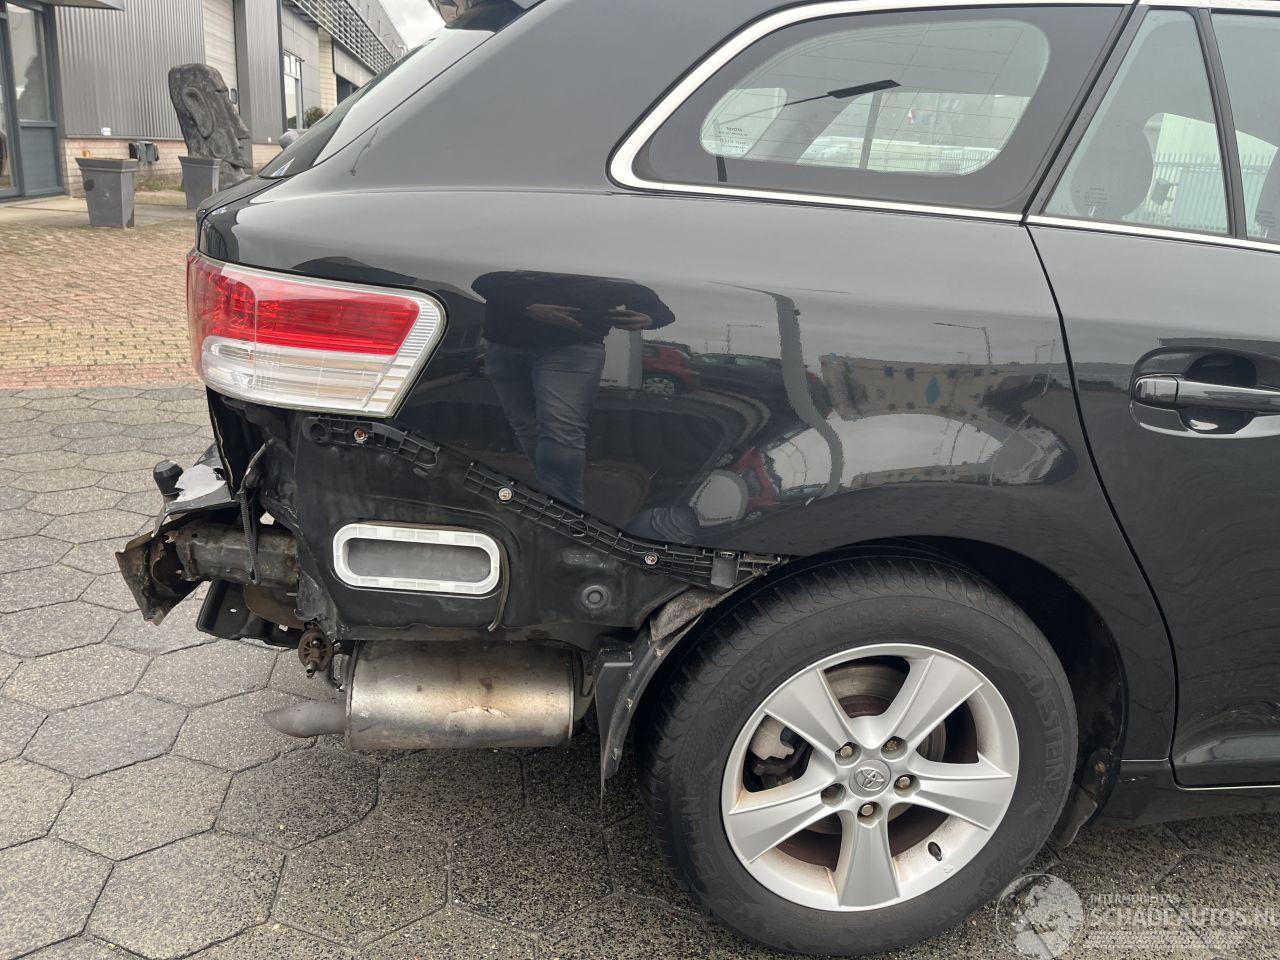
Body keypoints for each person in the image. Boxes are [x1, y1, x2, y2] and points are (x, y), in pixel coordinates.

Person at [473, 271, 675, 509]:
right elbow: (483, 283)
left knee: (560, 428)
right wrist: (528, 308)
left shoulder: (604, 276)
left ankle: (566, 509)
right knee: (524, 425)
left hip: (570, 349)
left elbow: (660, 311)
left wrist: (650, 319)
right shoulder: (521, 269)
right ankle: (551, 491)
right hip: (503, 346)